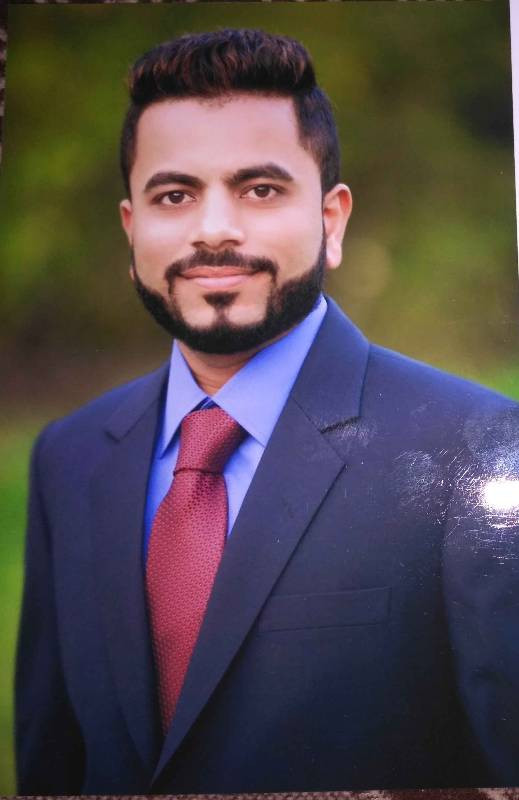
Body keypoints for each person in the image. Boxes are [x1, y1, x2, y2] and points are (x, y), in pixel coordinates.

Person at [15, 28, 519, 795]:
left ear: (331, 220)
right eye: (174, 195)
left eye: (259, 190)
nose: (213, 229)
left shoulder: (474, 449)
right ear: (131, 228)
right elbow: (51, 763)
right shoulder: (69, 456)